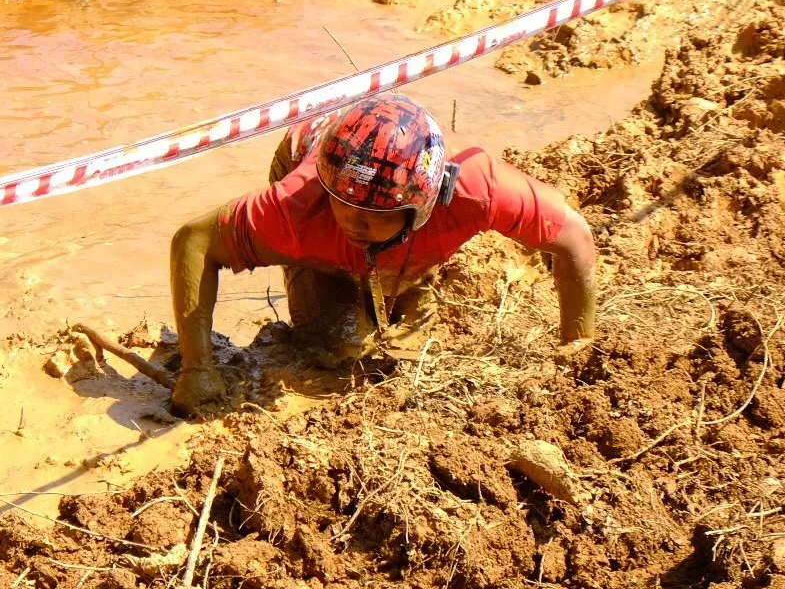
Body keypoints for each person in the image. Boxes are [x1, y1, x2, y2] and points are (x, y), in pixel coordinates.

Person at [168, 92, 596, 413]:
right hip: (313, 151)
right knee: (334, 349)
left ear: (424, 206)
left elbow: (574, 237)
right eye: (344, 206)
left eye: (373, 215)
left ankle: (405, 273)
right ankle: (337, 269)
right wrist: (197, 369)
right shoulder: (299, 205)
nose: (353, 222)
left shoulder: (479, 191)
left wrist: (577, 348)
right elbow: (193, 241)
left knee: (411, 330)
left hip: (405, 179)